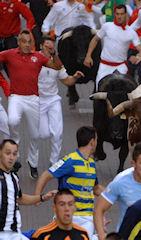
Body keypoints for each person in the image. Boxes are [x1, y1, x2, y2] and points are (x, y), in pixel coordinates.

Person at [0, 29, 62, 179]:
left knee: (35, 135)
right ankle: (16, 153)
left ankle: (32, 163)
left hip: (33, 99)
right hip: (16, 97)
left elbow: (57, 67)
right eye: (24, 42)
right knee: (12, 120)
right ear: (18, 42)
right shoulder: (9, 54)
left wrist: (54, 54)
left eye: (30, 42)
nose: (27, 45)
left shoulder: (38, 57)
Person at [34, 126, 104, 239]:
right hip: (69, 215)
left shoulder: (92, 164)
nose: (97, 143)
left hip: (87, 218)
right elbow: (46, 175)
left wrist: (113, 194)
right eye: (96, 140)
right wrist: (37, 198)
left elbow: (95, 189)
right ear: (92, 142)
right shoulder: (70, 160)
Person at [38, 36, 84, 165]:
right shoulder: (34, 60)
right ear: (41, 46)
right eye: (48, 47)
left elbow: (67, 81)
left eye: (52, 48)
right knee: (44, 134)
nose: (50, 50)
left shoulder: (57, 63)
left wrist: (74, 77)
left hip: (53, 100)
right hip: (38, 101)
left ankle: (54, 162)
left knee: (57, 134)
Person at [0, 139, 56, 240]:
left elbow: (20, 199)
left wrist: (42, 197)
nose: (11, 157)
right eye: (7, 153)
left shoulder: (14, 177)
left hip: (15, 233)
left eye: (14, 154)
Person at [84, 4, 141, 89]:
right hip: (104, 65)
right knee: (99, 89)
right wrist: (88, 56)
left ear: (125, 14)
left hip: (121, 67)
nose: (119, 16)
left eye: (122, 14)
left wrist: (137, 57)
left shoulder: (131, 32)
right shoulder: (107, 26)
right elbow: (95, 39)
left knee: (124, 91)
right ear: (114, 14)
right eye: (117, 14)